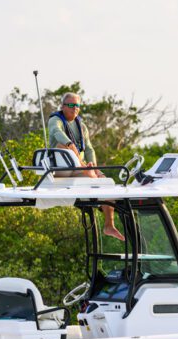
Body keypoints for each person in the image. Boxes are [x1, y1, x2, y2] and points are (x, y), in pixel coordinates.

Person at [47, 92, 124, 241]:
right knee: (63, 145)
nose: (74, 108)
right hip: (61, 167)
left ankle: (109, 225)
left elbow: (88, 148)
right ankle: (87, 170)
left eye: (77, 105)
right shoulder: (55, 120)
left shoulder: (81, 126)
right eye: (71, 105)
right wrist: (71, 145)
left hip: (78, 167)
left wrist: (92, 164)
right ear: (62, 106)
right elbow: (56, 132)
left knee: (106, 182)